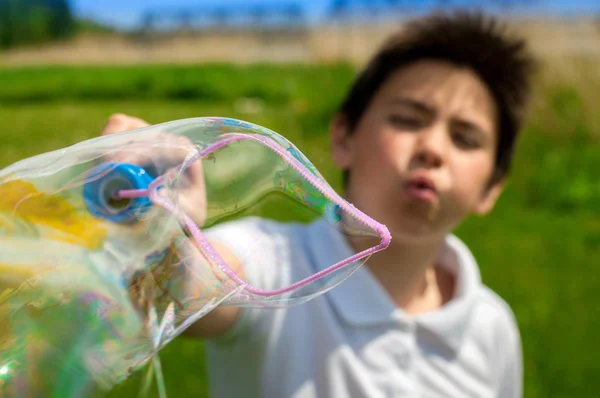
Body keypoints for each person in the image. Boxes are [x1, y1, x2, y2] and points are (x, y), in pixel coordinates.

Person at [101, 11, 535, 398]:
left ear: (492, 187)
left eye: (465, 138)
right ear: (343, 137)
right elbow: (185, 289)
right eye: (407, 119)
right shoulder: (274, 264)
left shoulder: (490, 327)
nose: (433, 148)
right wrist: (158, 231)